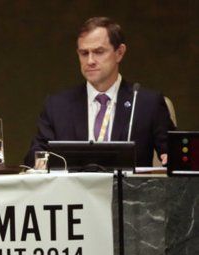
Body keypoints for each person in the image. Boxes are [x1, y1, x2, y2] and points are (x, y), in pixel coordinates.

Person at [24, 17, 174, 167]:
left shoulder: (146, 103)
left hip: (126, 189)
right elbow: (35, 153)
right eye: (84, 53)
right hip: (72, 189)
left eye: (99, 52)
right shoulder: (57, 105)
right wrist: (41, 161)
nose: (90, 61)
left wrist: (172, 158)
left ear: (119, 53)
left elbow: (173, 153)